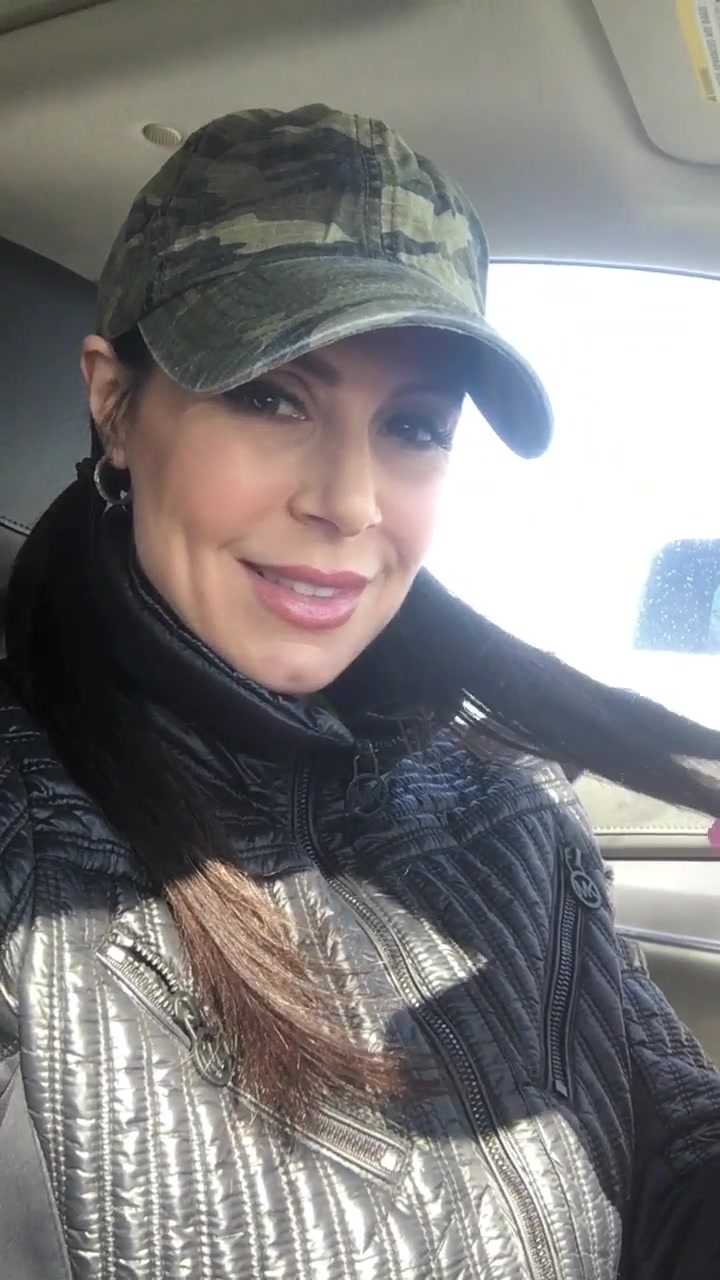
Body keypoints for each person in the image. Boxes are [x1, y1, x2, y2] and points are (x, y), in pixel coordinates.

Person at [1, 103, 720, 1280]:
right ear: (115, 403)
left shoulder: (513, 807)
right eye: (272, 397)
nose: (351, 501)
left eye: (414, 426)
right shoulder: (25, 874)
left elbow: (675, 1160)